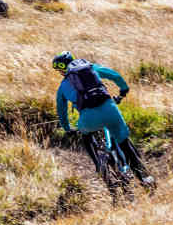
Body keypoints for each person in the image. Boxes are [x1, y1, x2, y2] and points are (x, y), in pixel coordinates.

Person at [53, 51, 154, 187]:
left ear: (62, 70)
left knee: (86, 136)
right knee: (125, 145)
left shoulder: (63, 86)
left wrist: (66, 128)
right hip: (110, 110)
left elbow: (61, 109)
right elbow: (115, 75)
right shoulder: (91, 68)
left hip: (88, 119)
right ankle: (144, 178)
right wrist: (123, 89)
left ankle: (98, 165)